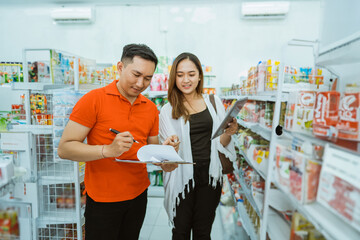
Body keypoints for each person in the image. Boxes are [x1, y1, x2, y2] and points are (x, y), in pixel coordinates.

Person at [58, 43, 178, 240]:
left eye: (148, 78)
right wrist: (107, 150)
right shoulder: (93, 100)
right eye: (136, 74)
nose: (141, 83)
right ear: (120, 67)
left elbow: (152, 151)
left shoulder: (149, 108)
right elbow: (64, 148)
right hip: (103, 198)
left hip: (138, 195)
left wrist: (167, 156)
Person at [159, 52, 238, 239]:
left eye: (191, 74)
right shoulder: (167, 109)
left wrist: (229, 132)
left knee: (203, 233)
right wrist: (171, 147)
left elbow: (221, 144)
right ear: (174, 77)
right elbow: (167, 156)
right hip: (182, 180)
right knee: (181, 232)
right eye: (180, 75)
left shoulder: (213, 102)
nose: (186, 80)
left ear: (200, 75)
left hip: (210, 178)